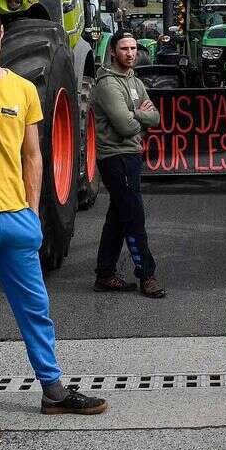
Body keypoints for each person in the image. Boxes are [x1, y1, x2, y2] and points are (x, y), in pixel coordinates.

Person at [0, 3, 108, 441]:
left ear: (2, 35)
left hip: (15, 218)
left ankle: (53, 390)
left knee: (36, 310)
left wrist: (31, 210)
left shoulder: (24, 90)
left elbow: (33, 153)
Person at [90, 30, 166, 298]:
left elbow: (155, 117)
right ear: (113, 51)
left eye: (133, 48)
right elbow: (124, 126)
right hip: (116, 156)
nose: (130, 53)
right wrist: (138, 115)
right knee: (134, 215)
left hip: (131, 154)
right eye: (124, 49)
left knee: (118, 216)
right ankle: (147, 274)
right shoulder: (109, 84)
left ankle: (105, 273)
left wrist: (137, 116)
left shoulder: (134, 80)